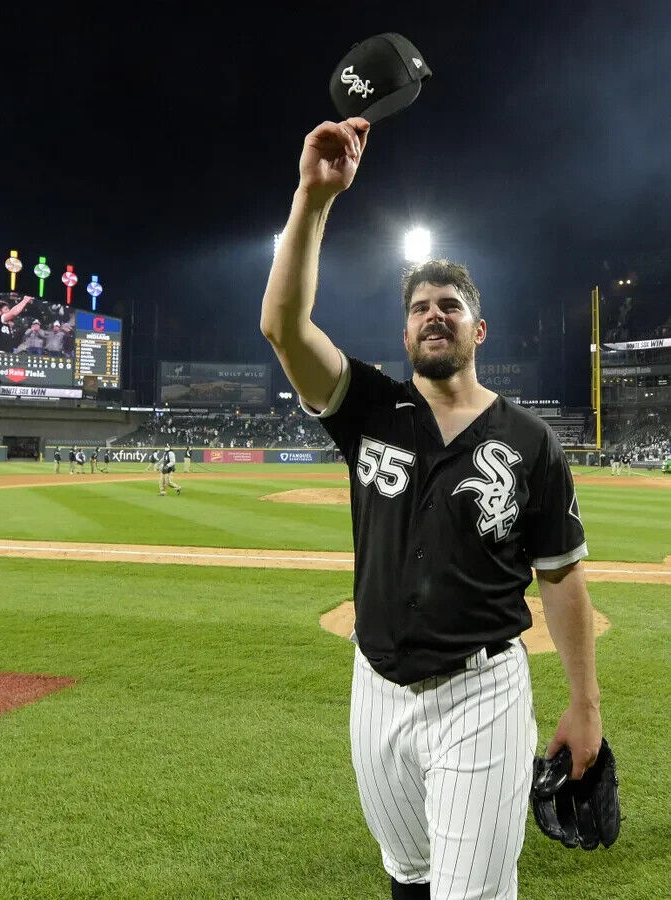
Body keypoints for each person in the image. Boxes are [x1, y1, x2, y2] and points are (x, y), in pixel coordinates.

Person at [260, 117, 603, 899]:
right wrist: (313, 198)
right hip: (374, 685)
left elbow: (561, 579)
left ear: (478, 329)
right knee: (408, 877)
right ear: (406, 330)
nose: (434, 314)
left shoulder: (529, 442)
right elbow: (282, 326)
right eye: (419, 306)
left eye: (450, 304)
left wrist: (584, 705)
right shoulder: (368, 408)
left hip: (481, 692)